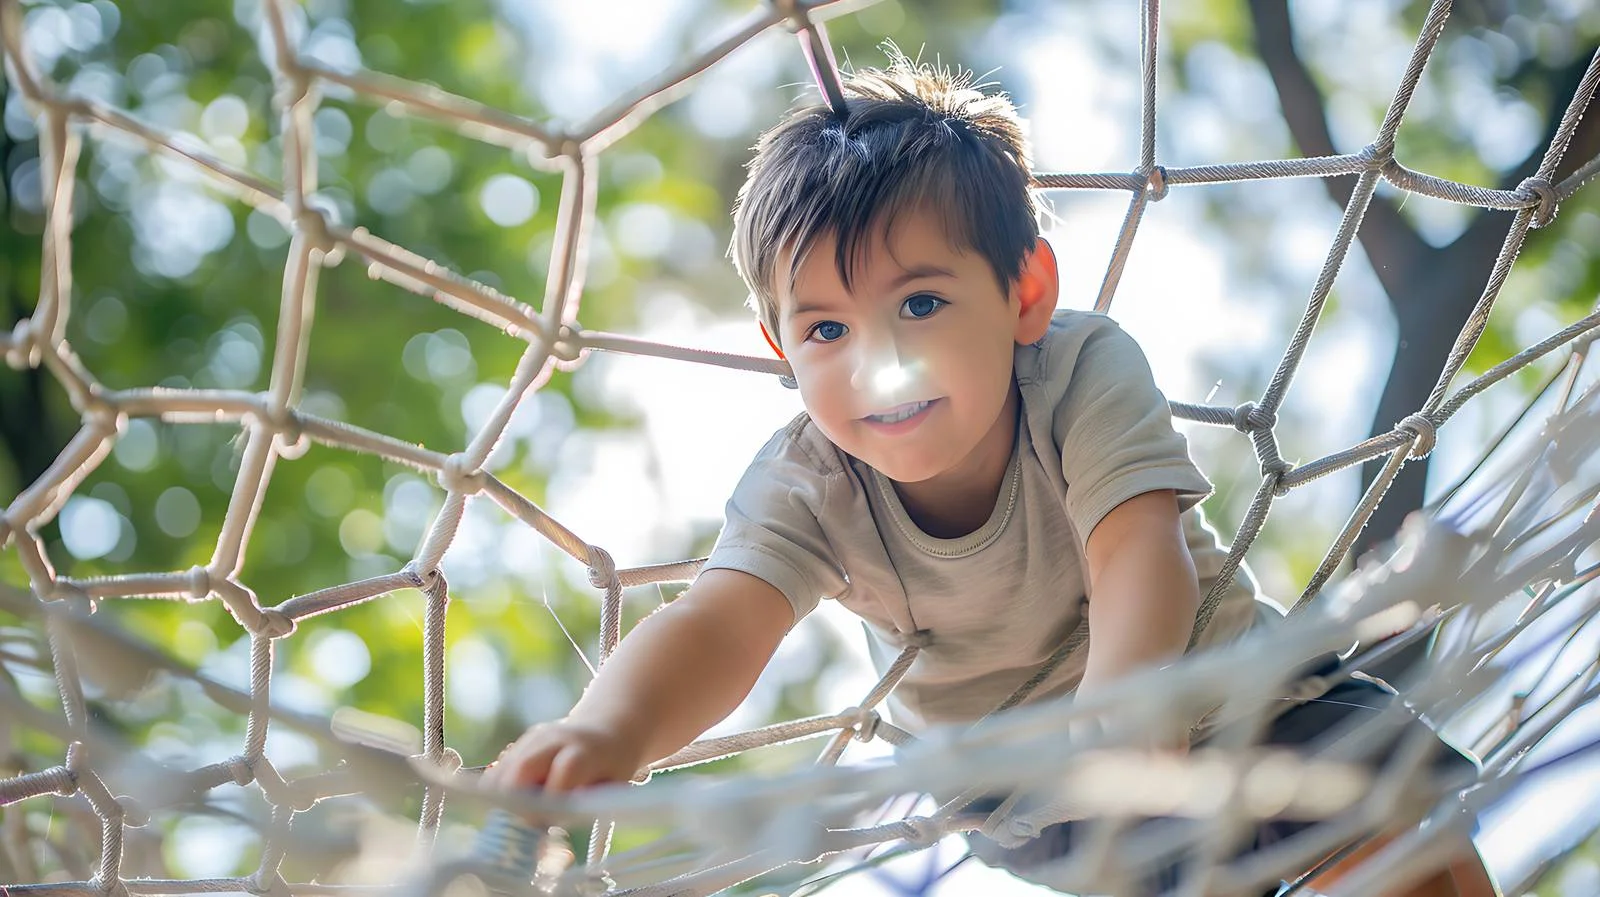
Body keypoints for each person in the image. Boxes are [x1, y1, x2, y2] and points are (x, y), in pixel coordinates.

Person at [486, 54, 1497, 897]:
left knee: (1411, 847)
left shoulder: (1077, 369)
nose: (877, 362)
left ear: (1026, 293)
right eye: (826, 329)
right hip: (1036, 800)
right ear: (780, 350)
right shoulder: (804, 483)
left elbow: (1132, 545)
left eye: (919, 305)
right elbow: (718, 625)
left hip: (1233, 699)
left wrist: (1131, 705)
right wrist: (608, 730)